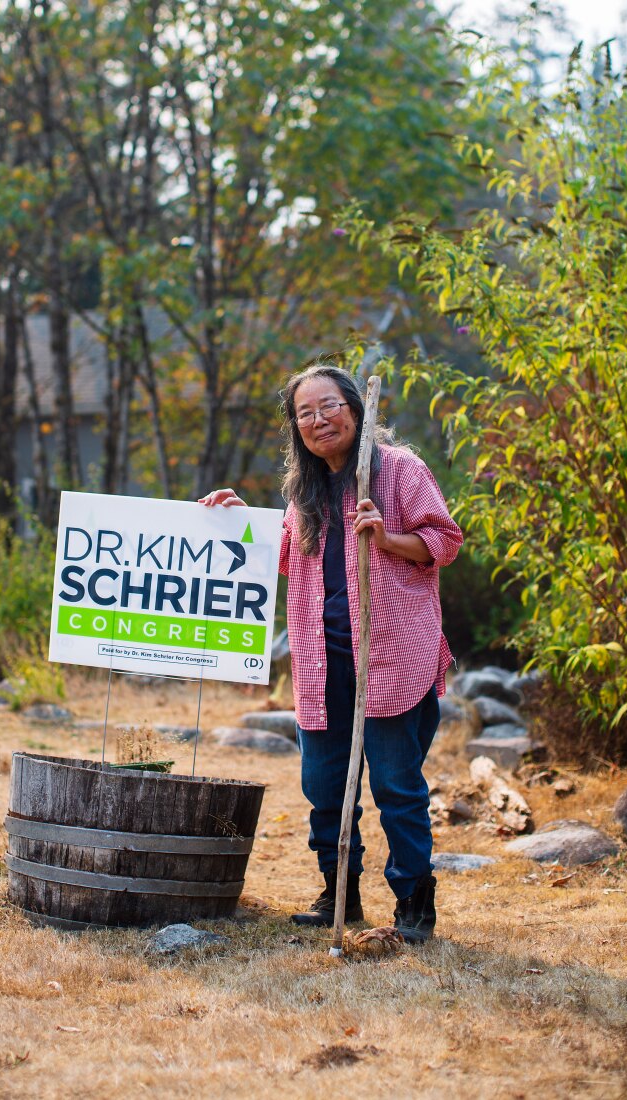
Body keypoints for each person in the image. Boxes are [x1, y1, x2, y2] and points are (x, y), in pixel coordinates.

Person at [199, 363, 462, 942]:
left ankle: (414, 903)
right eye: (305, 413)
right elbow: (286, 558)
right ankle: (338, 891)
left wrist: (388, 537)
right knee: (322, 785)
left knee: (396, 784)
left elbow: (444, 541)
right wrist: (239, 520)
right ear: (296, 427)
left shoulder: (397, 471)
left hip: (391, 658)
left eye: (329, 406)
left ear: (355, 408)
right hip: (322, 663)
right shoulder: (307, 490)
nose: (319, 420)